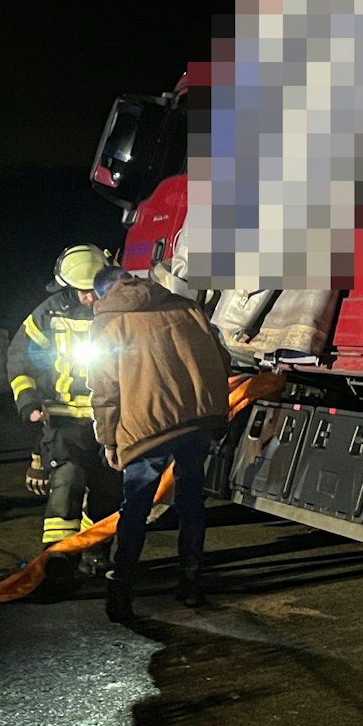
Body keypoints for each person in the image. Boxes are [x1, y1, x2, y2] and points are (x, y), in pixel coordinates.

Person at [88, 266, 229, 623]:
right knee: (191, 501)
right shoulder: (186, 307)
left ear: (106, 292)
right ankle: (191, 583)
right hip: (195, 422)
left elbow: (105, 390)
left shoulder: (108, 322)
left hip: (145, 427)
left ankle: (121, 592)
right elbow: (221, 358)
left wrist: (108, 439)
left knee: (134, 508)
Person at [7, 245, 123, 577]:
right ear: (67, 286)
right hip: (64, 419)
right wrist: (27, 400)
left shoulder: (117, 309)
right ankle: (56, 559)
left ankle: (96, 552)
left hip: (110, 419)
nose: (89, 297)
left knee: (109, 489)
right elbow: (19, 356)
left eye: (94, 289)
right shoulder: (49, 313)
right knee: (67, 482)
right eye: (82, 291)